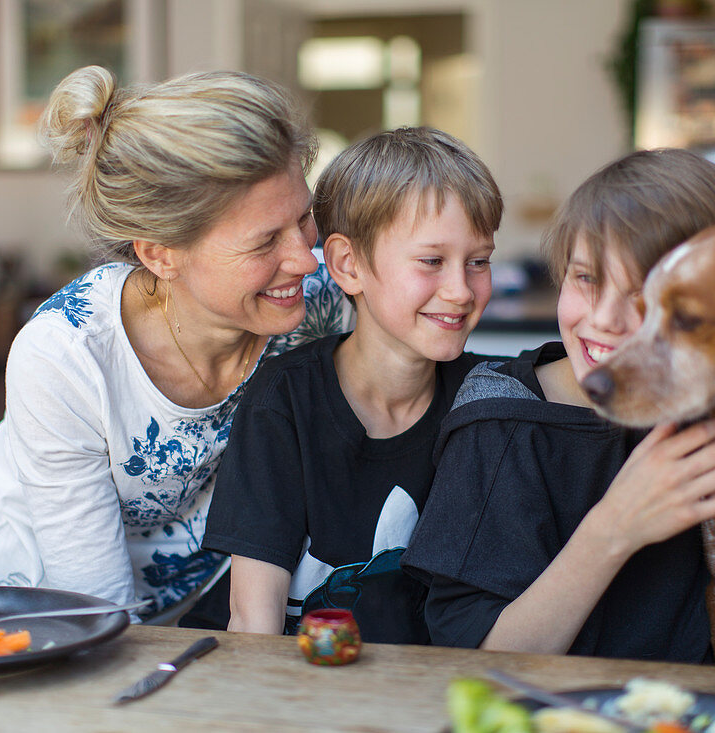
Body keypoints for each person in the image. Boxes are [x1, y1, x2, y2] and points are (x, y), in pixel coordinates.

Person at [401, 148, 715, 670]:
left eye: (649, 296)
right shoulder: (502, 424)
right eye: (586, 278)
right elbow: (470, 661)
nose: (603, 320)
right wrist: (616, 527)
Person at [0, 66, 351, 626]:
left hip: (155, 618)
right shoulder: (68, 355)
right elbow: (97, 605)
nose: (301, 257)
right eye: (265, 241)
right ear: (160, 254)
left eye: (303, 217)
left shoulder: (309, 302)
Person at [201, 127, 502, 643]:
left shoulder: (487, 401)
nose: (459, 290)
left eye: (478, 261)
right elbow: (253, 623)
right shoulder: (285, 402)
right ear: (348, 264)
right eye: (432, 261)